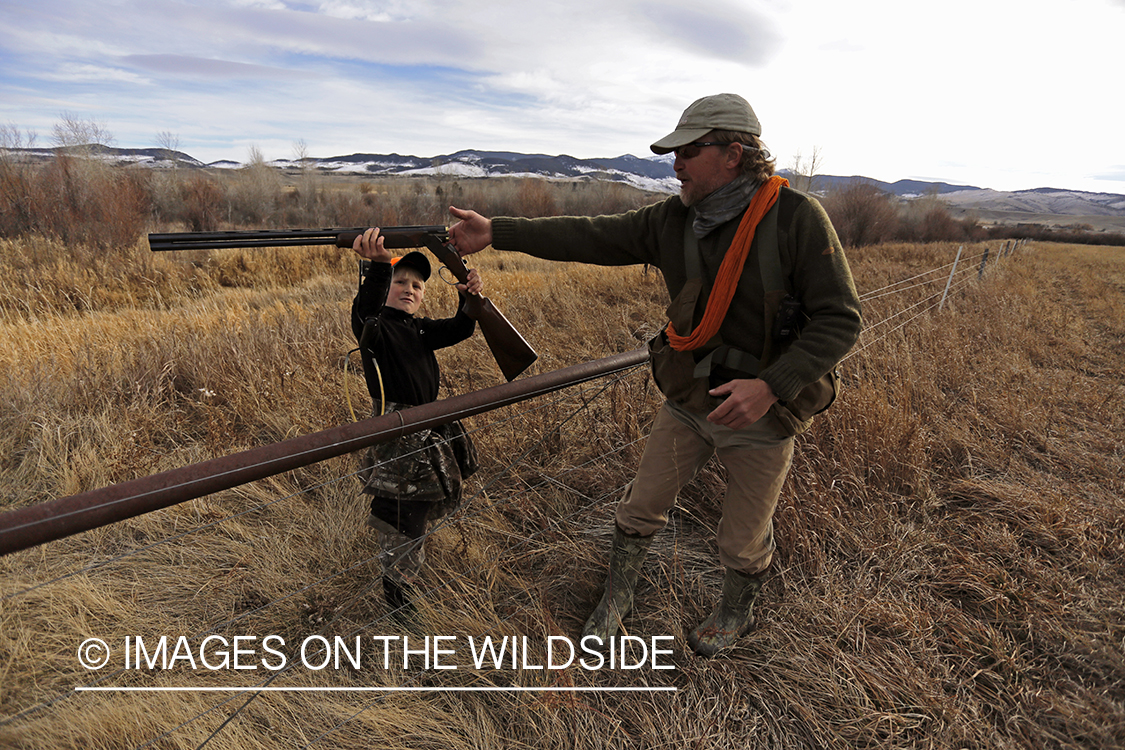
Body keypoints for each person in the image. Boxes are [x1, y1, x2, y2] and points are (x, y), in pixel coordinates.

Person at [447, 94, 862, 656]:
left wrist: (771, 386)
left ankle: (734, 611)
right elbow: (591, 235)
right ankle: (617, 597)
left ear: (733, 154)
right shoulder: (674, 219)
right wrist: (498, 230)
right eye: (676, 151)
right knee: (642, 506)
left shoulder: (796, 219)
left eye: (690, 151)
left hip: (762, 409)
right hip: (689, 395)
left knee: (743, 538)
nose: (676, 163)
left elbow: (841, 319)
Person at [350, 227, 484, 612]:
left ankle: (406, 578)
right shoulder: (376, 329)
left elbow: (461, 328)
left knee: (417, 512)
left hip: (427, 431)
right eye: (400, 281)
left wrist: (468, 295)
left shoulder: (419, 328)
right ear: (384, 286)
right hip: (398, 434)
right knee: (398, 517)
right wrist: (376, 268)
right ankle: (398, 601)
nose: (410, 289)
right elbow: (364, 311)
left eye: (418, 285)